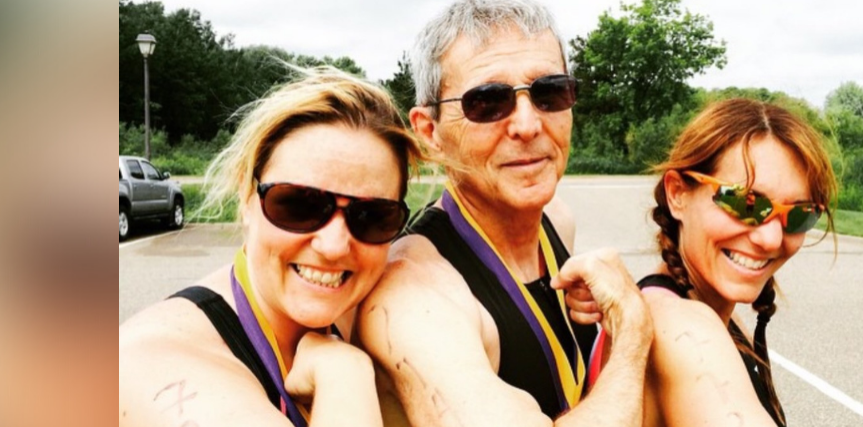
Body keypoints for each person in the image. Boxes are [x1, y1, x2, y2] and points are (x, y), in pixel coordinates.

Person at [355, 1, 654, 426]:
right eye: (488, 102)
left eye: (550, 93)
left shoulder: (557, 220)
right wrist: (633, 327)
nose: (528, 125)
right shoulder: (412, 296)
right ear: (430, 133)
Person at [119, 68, 422, 427]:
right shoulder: (154, 360)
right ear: (247, 200)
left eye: (373, 216)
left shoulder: (367, 311)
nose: (334, 246)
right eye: (299, 205)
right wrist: (345, 376)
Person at [632, 98, 838, 426]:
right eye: (746, 203)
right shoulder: (681, 327)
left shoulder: (711, 311)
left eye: (800, 215)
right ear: (677, 194)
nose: (770, 239)